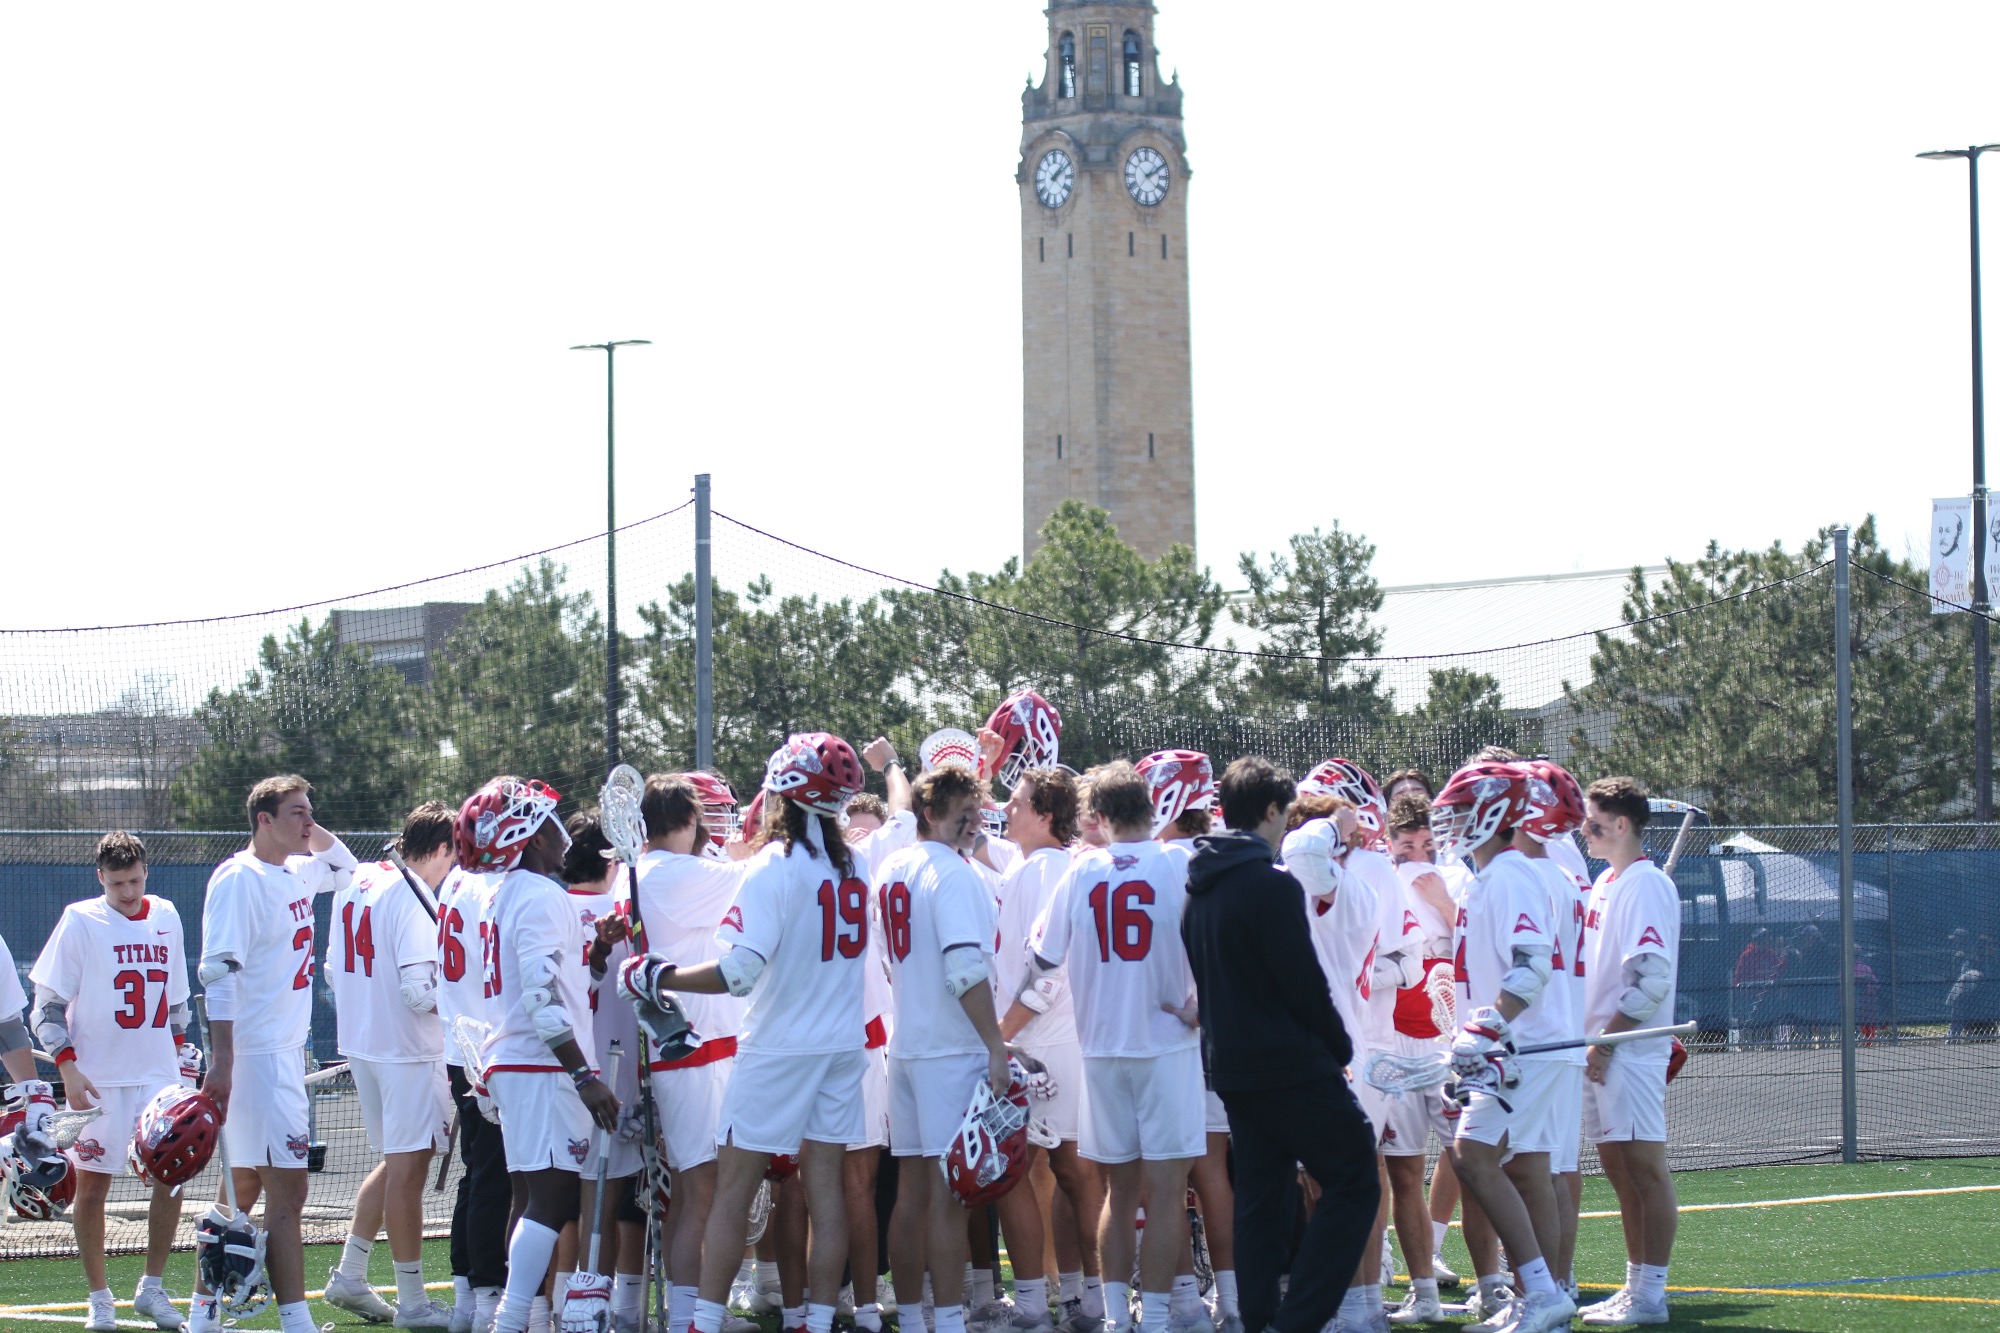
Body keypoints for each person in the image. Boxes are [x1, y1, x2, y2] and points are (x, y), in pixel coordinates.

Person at [629, 732, 872, 1333]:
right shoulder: (855, 863)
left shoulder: (774, 864)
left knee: (732, 1188)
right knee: (826, 1190)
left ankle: (704, 1322)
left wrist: (663, 977)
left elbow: (739, 973)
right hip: (842, 1047)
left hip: (778, 1048)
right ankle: (814, 1320)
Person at [1183, 757, 1379, 1333]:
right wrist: (1338, 1045)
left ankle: (1260, 1318)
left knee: (1263, 1201)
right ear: (1271, 812)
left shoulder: (1199, 890)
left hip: (1235, 1070)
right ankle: (1300, 1319)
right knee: (1354, 1176)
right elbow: (1302, 981)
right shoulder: (1269, 886)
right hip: (1290, 1065)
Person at [1029, 761, 1206, 1333]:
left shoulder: (1080, 871)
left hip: (1102, 1049)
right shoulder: (1178, 862)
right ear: (1150, 809)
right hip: (1165, 1044)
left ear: (1099, 817)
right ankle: (1155, 1318)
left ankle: (1114, 1319)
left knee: (1119, 1188)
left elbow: (1043, 955)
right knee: (1165, 1189)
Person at [190, 774, 357, 1333]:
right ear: (263, 819)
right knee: (288, 1189)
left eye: (310, 811)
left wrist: (311, 828)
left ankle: (203, 1313)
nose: (307, 822)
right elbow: (217, 973)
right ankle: (296, 1322)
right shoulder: (239, 878)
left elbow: (346, 869)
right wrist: (223, 1058)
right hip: (256, 1055)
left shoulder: (295, 871)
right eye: (296, 813)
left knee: (241, 1189)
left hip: (286, 1052)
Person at [466, 777, 620, 1333]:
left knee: (532, 1193)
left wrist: (597, 953)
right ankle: (510, 1319)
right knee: (552, 1201)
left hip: (516, 1060)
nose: (562, 833)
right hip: (541, 1064)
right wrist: (583, 1074)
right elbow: (540, 999)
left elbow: (563, 984)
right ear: (529, 838)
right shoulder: (538, 894)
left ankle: (519, 1315)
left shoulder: (505, 893)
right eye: (549, 822)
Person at [1431, 761, 1576, 1333]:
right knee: (1528, 1166)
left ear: (1495, 814)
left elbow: (1531, 966)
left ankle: (1542, 1291)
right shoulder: (1492, 877)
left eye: (1464, 812)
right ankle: (1544, 1296)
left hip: (1524, 1049)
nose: (1455, 823)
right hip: (1516, 1047)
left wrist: (1486, 1029)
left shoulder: (1511, 873)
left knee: (1471, 1156)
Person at [29, 831, 193, 1332]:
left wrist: (184, 1059)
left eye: (135, 880)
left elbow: (178, 1001)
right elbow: (47, 1009)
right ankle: (100, 1299)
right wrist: (68, 1069)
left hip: (156, 1076)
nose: (128, 892)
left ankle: (153, 1288)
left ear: (147, 872)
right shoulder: (80, 920)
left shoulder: (165, 915)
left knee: (171, 1178)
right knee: (93, 1188)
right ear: (100, 877)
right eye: (117, 882)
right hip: (94, 1081)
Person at [878, 766, 1013, 1333]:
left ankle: (914, 1318)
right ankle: (950, 1321)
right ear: (930, 811)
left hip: (907, 1043)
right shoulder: (951, 872)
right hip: (949, 1049)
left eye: (977, 811)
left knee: (912, 1191)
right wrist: (996, 1045)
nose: (973, 822)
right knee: (949, 1196)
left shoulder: (891, 866)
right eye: (963, 812)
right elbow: (963, 969)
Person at [323, 803, 458, 1329]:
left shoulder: (357, 879)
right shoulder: (413, 893)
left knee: (398, 1163)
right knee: (407, 1172)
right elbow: (417, 991)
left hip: (363, 1043)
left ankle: (352, 1273)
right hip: (406, 1050)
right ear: (443, 848)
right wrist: (469, 1000)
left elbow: (334, 971)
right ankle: (414, 1303)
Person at [627, 773, 753, 1333]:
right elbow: (757, 875)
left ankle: (694, 1312)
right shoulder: (678, 873)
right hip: (693, 1050)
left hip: (685, 1048)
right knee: (703, 1189)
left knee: (700, 1188)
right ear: (685, 821)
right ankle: (690, 1318)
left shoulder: (641, 873)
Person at [994, 768, 1105, 1333]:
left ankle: (1071, 1299)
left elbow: (1047, 973)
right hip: (1043, 1040)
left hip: (1045, 1041)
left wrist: (1002, 1032)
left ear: (1045, 815)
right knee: (1053, 1173)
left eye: (1016, 803)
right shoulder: (1030, 865)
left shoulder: (1049, 869)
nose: (1005, 809)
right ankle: (1069, 1299)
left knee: (1058, 1171)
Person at [1137, 748, 1236, 1333]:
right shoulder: (1221, 855)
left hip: (1172, 1037)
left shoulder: (1161, 861)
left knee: (1164, 1176)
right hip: (1225, 1039)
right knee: (1214, 1172)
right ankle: (1231, 1297)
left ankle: (1182, 1300)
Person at [1577, 777, 1681, 1328]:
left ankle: (1651, 1295)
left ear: (1622, 825)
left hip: (1629, 1052)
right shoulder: (1603, 883)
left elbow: (1651, 983)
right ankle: (1635, 1285)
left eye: (1593, 822)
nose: (1584, 830)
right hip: (1602, 1050)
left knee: (1645, 1169)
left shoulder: (1646, 885)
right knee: (1619, 1170)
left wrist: (1608, 1042)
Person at [1378, 797, 1462, 1322]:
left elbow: (1479, 953)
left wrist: (1450, 905)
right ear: (1387, 844)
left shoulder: (1456, 881)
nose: (1417, 853)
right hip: (1394, 1046)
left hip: (1450, 1045)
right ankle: (1421, 1289)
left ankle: (1497, 1282)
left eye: (1427, 844)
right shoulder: (1378, 886)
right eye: (1406, 844)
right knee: (1402, 1171)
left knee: (1477, 1163)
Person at [436, 816, 506, 1332]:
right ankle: (485, 1295)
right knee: (496, 1177)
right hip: (487, 1046)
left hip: (460, 1045)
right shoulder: (490, 885)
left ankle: (466, 1292)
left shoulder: (456, 880)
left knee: (478, 1171)